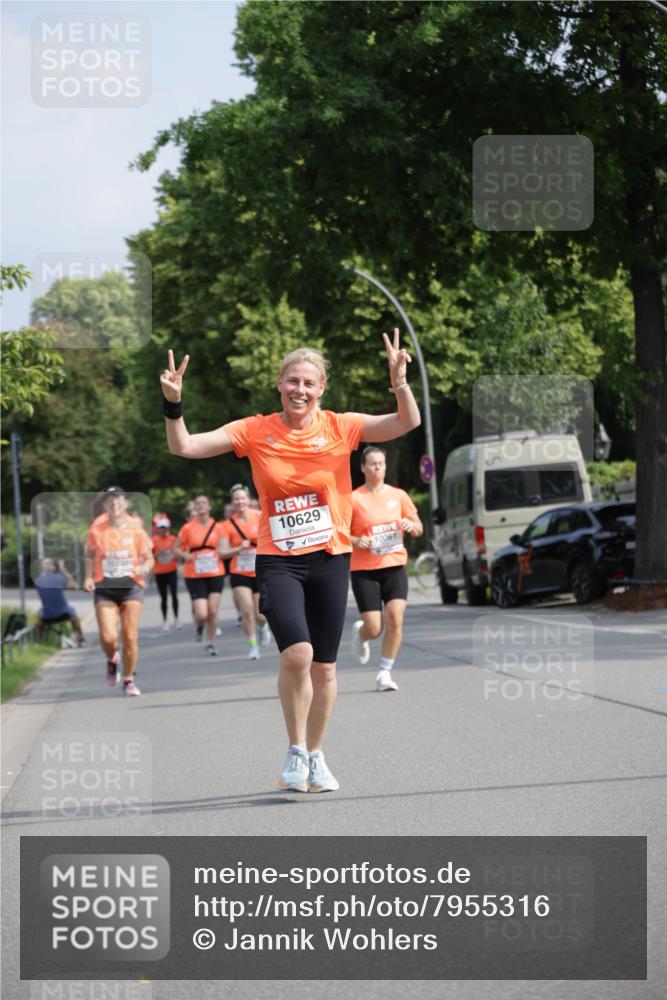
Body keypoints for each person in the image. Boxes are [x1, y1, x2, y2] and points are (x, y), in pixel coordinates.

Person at [161, 328, 420, 792]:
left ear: (321, 389)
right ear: (279, 384)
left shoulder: (342, 426)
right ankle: (295, 750)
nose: (300, 390)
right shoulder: (255, 430)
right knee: (297, 654)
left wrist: (400, 382)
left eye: (309, 383)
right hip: (278, 558)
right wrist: (173, 403)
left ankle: (317, 756)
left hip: (330, 556)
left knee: (324, 667)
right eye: (292, 381)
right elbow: (183, 446)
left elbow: (406, 424)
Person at [349, 445, 423, 691]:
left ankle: (384, 672)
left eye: (381, 463)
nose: (378, 467)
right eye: (372, 463)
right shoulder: (354, 498)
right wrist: (356, 540)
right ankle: (362, 635)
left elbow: (418, 526)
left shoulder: (398, 495)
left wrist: (411, 526)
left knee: (395, 618)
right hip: (364, 569)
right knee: (374, 628)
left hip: (394, 565)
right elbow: (338, 531)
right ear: (363, 467)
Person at [83, 486, 153, 696]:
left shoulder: (136, 527)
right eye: (109, 501)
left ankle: (129, 679)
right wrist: (87, 576)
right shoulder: (97, 527)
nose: (114, 504)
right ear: (104, 505)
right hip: (104, 586)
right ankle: (112, 659)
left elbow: (149, 557)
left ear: (125, 502)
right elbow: (89, 553)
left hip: (131, 586)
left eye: (118, 499)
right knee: (108, 637)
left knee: (130, 637)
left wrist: (143, 567)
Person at [220, 485, 271, 660]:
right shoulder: (226, 525)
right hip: (239, 571)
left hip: (259, 569)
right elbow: (221, 552)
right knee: (246, 611)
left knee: (260, 614)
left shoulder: (260, 516)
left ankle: (263, 627)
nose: (240, 501)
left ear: (248, 500)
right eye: (236, 499)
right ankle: (253, 646)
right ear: (232, 503)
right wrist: (237, 549)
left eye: (242, 498)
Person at [173, 495, 226, 656]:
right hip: (194, 573)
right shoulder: (187, 528)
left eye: (204, 503)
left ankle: (210, 643)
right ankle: (200, 625)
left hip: (215, 571)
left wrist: (223, 552)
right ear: (194, 508)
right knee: (202, 613)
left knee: (213, 610)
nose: (201, 506)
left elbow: (223, 549)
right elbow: (176, 549)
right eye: (198, 504)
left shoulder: (218, 527)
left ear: (210, 507)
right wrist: (185, 555)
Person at [35, 558, 85, 646]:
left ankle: (39, 641)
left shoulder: (38, 580)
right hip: (64, 613)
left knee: (39, 618)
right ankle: (80, 638)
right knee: (74, 615)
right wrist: (64, 570)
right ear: (54, 568)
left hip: (47, 615)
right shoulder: (59, 577)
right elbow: (73, 587)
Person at [152, 515, 181, 632]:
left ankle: (177, 619)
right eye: (161, 528)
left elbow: (179, 553)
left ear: (168, 528)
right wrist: (156, 555)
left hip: (172, 571)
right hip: (160, 572)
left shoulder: (173, 539)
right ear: (158, 529)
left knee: (174, 595)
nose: (163, 530)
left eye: (165, 528)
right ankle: (165, 621)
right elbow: (149, 555)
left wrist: (175, 554)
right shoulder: (154, 541)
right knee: (163, 597)